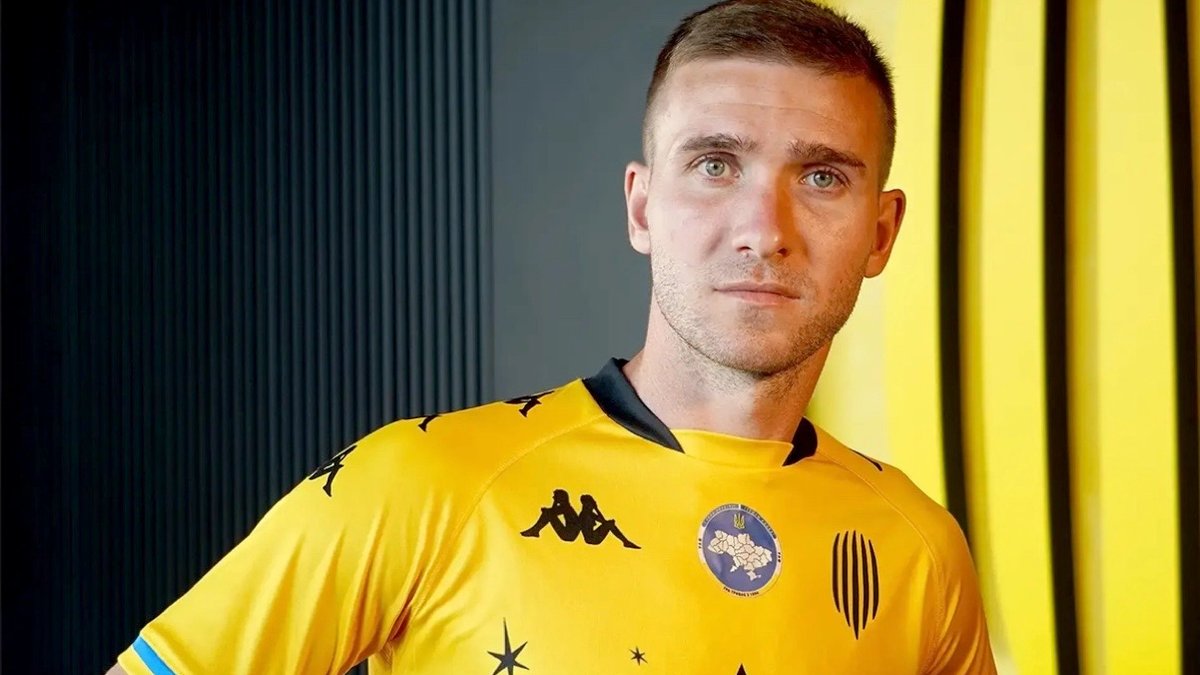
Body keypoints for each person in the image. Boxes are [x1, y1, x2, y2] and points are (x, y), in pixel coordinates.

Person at [111, 0, 997, 672]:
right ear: (641, 207)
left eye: (822, 176)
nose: (764, 228)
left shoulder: (922, 550)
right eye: (715, 164)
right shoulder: (418, 483)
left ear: (882, 232)